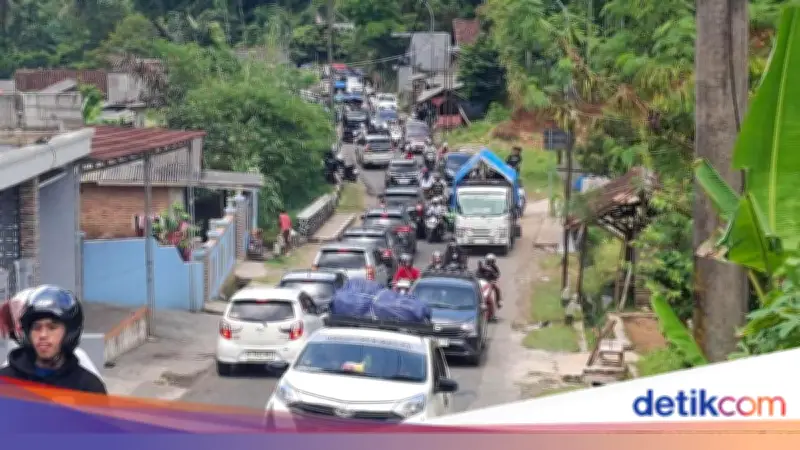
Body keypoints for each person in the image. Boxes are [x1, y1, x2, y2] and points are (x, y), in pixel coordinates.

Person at [0, 285, 107, 394]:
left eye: (52, 327)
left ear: (69, 332)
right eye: (36, 328)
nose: (43, 335)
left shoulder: (89, 388)